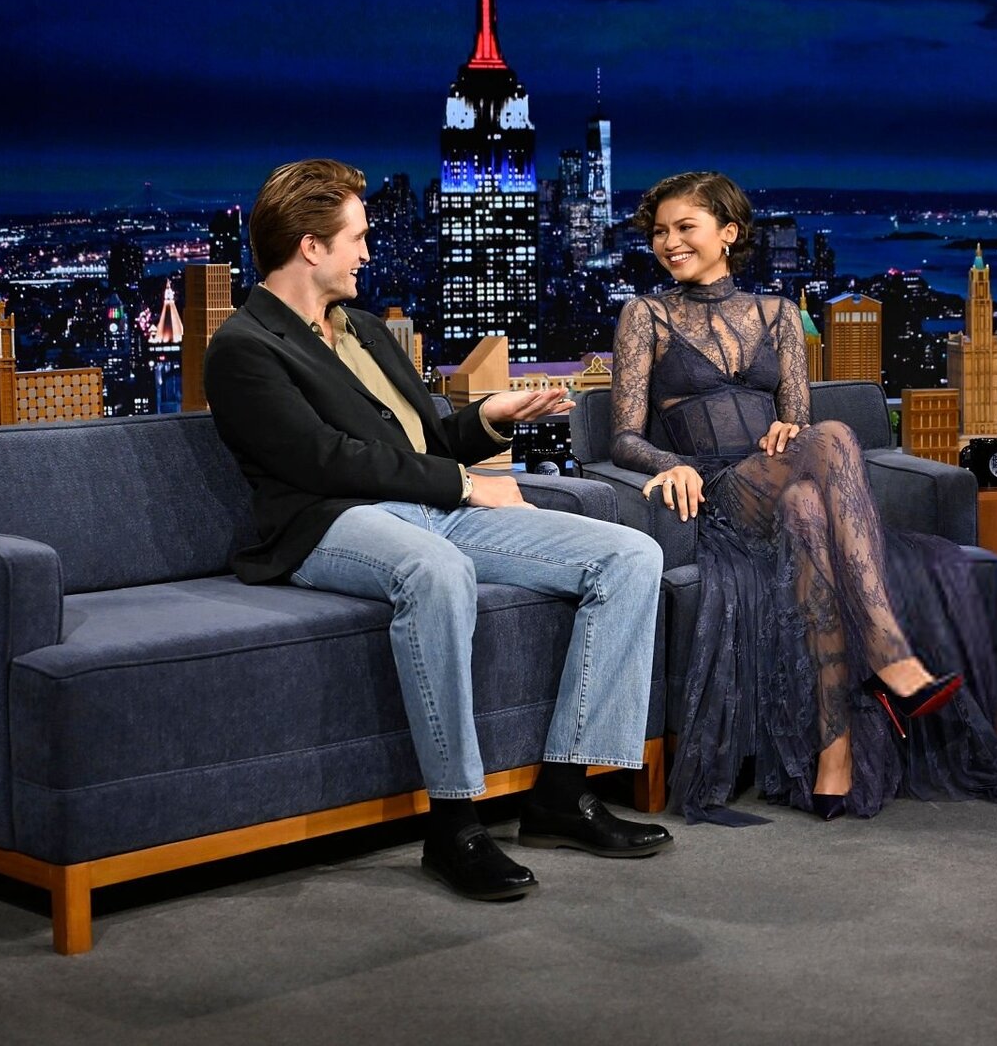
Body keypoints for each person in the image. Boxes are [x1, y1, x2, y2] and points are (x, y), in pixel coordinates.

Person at [203, 158, 671, 902]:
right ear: (311, 247)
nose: (368, 252)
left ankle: (563, 791)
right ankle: (454, 824)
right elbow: (325, 463)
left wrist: (488, 420)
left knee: (630, 555)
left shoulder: (365, 330)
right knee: (437, 570)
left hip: (426, 509)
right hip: (329, 523)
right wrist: (467, 486)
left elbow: (421, 442)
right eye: (357, 238)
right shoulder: (243, 347)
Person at [609, 170, 997, 824]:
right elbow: (624, 437)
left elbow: (797, 419)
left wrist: (789, 431)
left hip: (784, 481)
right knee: (832, 439)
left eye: (685, 227)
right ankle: (889, 657)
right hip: (719, 488)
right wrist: (670, 463)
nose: (669, 242)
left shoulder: (779, 315)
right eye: (660, 232)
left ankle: (836, 753)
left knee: (809, 499)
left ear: (729, 232)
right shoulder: (646, 315)